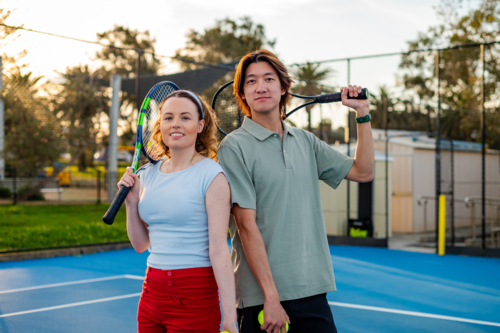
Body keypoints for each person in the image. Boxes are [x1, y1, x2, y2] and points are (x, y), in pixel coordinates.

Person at [218, 49, 374, 333]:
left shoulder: (305, 141)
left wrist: (362, 114)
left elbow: (363, 172)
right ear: (242, 93)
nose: (261, 87)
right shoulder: (233, 147)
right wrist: (271, 297)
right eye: (251, 81)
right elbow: (245, 225)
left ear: (283, 87)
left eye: (268, 78)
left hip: (312, 290)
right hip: (262, 300)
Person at [118, 90, 238, 333]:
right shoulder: (147, 174)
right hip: (151, 294)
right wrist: (131, 204)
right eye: (169, 117)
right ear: (160, 124)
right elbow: (141, 245)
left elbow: (219, 250)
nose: (176, 124)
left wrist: (230, 317)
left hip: (195, 297)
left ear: (200, 125)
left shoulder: (212, 175)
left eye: (185, 117)